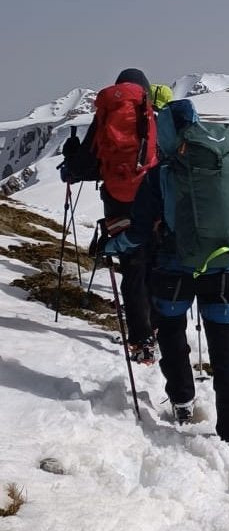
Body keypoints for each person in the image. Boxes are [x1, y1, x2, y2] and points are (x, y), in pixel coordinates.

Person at [103, 98, 229, 460]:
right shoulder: (225, 167)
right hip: (224, 270)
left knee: (170, 331)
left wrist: (112, 245)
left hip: (173, 269)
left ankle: (183, 400)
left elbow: (138, 231)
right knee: (225, 350)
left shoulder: (161, 173)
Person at [61, 68, 158, 363]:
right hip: (152, 200)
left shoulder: (105, 115)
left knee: (132, 268)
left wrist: (71, 159)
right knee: (155, 262)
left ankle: (141, 341)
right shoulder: (150, 115)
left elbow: (87, 165)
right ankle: (157, 327)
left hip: (117, 203)